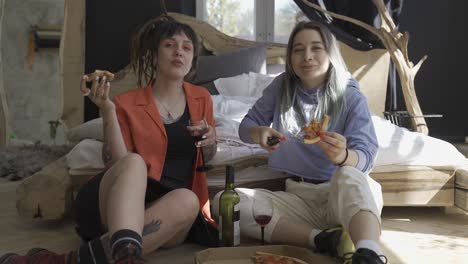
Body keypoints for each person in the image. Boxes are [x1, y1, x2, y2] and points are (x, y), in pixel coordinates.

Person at [1, 15, 218, 264]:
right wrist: (107, 110)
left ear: (192, 60)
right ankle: (125, 254)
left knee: (188, 199)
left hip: (168, 209)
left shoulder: (202, 98)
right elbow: (117, 162)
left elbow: (206, 157)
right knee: (134, 162)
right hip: (118, 203)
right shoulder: (125, 102)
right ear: (155, 55)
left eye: (186, 47)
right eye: (169, 45)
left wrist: (211, 141)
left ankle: (72, 260)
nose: (179, 51)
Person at [212, 21, 386, 264]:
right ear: (290, 57)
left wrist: (344, 156)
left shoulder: (349, 95)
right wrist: (258, 133)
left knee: (350, 174)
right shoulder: (280, 86)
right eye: (298, 49)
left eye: (316, 48)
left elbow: (367, 154)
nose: (307, 57)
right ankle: (323, 239)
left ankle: (369, 254)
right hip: (298, 196)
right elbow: (246, 127)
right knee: (223, 203)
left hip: (340, 193)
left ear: (330, 53)